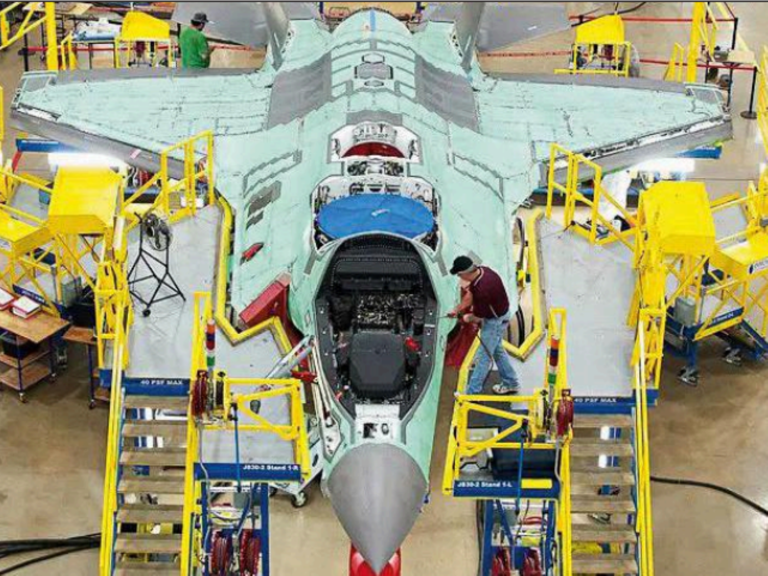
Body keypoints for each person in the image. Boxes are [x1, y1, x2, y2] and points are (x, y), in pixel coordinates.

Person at [447, 256, 520, 395]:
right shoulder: (483, 271)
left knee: (483, 357)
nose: (459, 278)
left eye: (459, 275)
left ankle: (471, 394)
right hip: (502, 313)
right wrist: (457, 310)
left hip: (495, 321)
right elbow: (470, 295)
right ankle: (511, 382)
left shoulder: (482, 290)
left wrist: (467, 318)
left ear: (465, 273)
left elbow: (479, 317)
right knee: (497, 351)